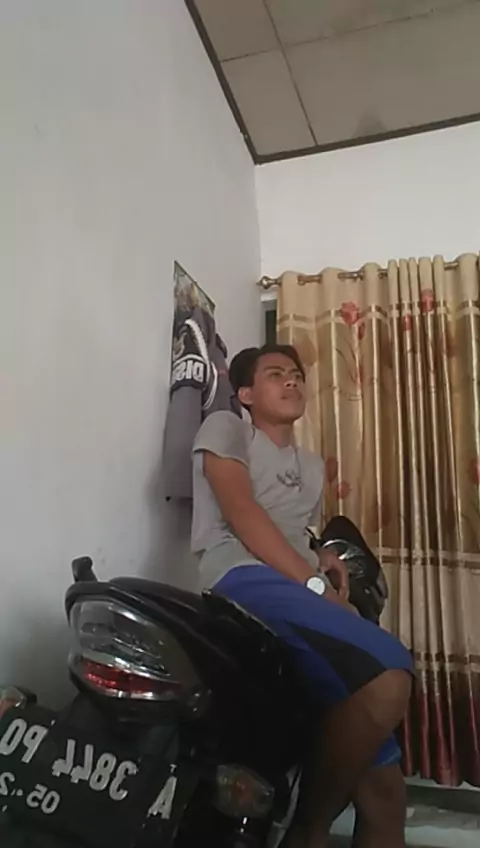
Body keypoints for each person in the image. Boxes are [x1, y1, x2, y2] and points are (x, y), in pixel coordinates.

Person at [191, 343, 413, 848]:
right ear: (246, 394)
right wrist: (315, 586)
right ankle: (308, 829)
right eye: (275, 374)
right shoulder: (227, 428)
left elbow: (289, 527)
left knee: (386, 798)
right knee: (388, 673)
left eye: (296, 374)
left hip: (293, 585)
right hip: (242, 578)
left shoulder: (310, 466)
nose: (292, 381)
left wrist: (319, 552)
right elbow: (244, 514)